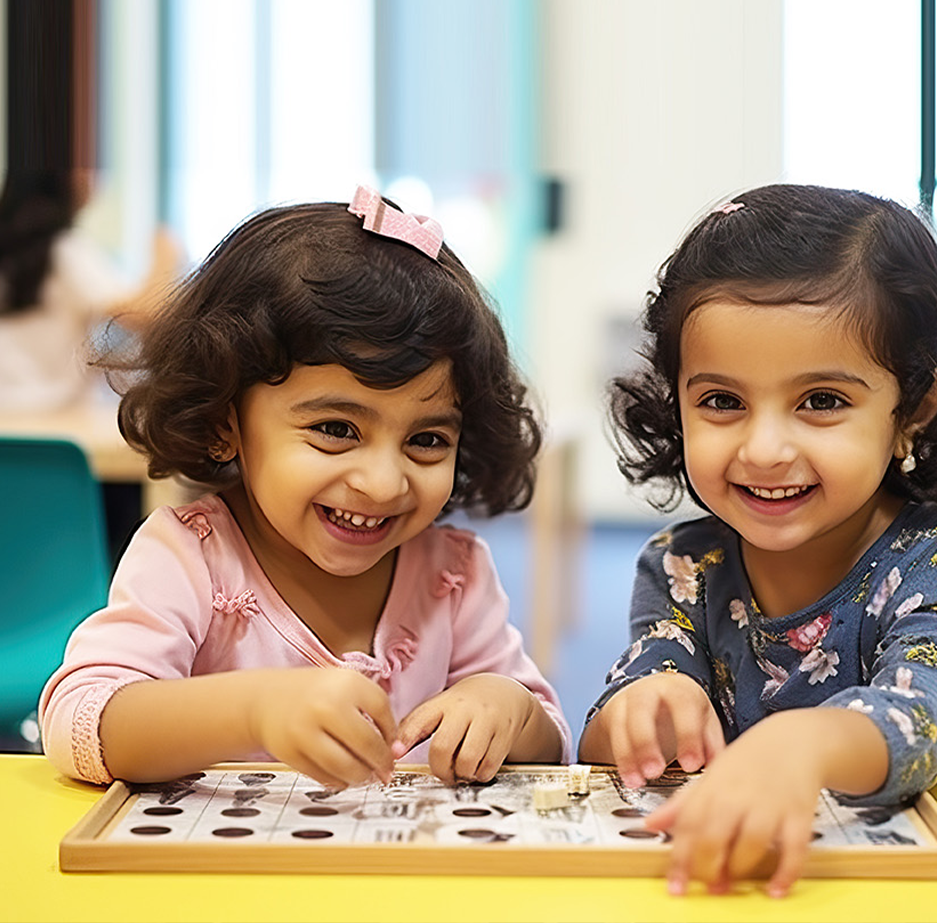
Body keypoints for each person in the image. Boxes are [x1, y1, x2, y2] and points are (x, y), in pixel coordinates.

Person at [578, 184, 937, 897]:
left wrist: (803, 746)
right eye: (722, 401)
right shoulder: (685, 565)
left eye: (821, 401)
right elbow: (621, 716)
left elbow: (924, 715)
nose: (764, 449)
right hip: (760, 882)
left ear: (915, 406)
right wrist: (639, 710)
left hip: (936, 885)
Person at [40, 188, 570, 789]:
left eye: (426, 440)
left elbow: (549, 739)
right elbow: (80, 722)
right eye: (336, 430)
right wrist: (253, 709)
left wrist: (506, 706)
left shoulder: (454, 574)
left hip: (409, 877)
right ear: (224, 423)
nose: (382, 482)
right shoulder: (191, 557)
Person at [0, 169, 179, 413]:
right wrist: (167, 255)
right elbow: (142, 315)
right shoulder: (65, 251)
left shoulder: (22, 252)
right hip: (52, 424)